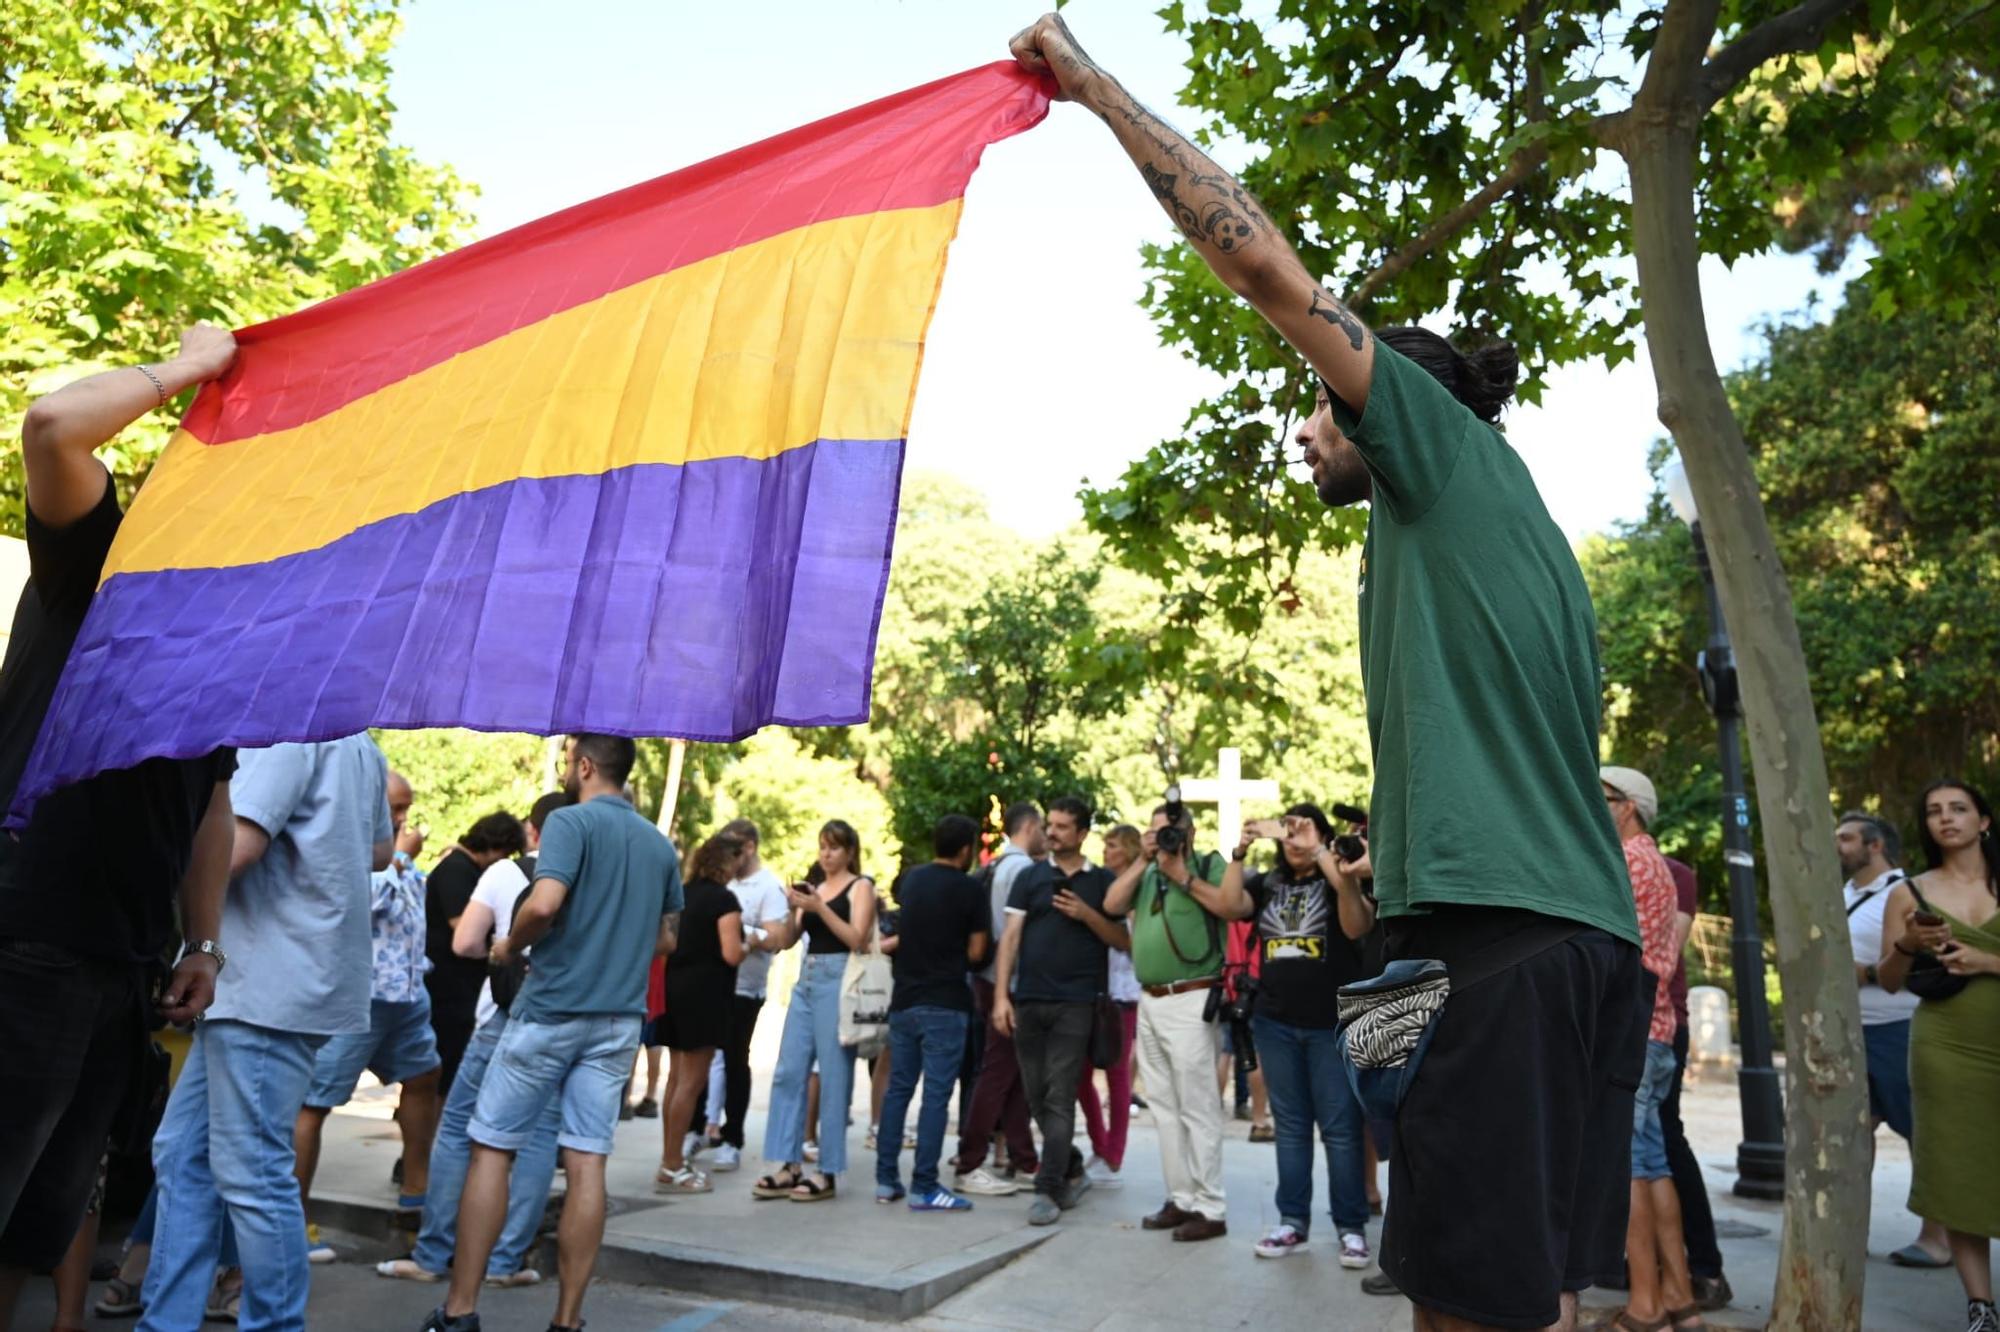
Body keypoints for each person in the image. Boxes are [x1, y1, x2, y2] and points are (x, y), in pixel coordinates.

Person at [1008, 16, 1648, 1323]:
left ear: (1387, 402)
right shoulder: (1499, 523)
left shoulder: (1435, 443)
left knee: (1456, 1297)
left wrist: (1095, 89)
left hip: (1503, 946)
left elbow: (1269, 276)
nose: (1306, 434)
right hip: (1568, 945)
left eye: (1321, 409)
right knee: (1527, 1290)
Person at [0, 326, 238, 1325]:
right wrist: (186, 370)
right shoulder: (104, 561)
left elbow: (210, 802)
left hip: (124, 962)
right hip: (29, 938)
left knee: (37, 1222)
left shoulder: (236, 632)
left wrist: (204, 940)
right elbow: (52, 426)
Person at [420, 734, 683, 1332]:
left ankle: (459, 1312)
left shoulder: (570, 823)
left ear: (586, 766)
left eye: (569, 760)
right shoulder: (656, 844)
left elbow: (543, 904)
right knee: (587, 1161)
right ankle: (567, 1321)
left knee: (491, 1146)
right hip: (618, 1019)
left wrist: (510, 944)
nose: (567, 769)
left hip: (552, 1009)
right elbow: (667, 939)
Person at [142, 735, 394, 1332]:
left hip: (266, 981)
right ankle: (166, 1323)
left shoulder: (289, 729)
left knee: (250, 1171)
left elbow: (234, 846)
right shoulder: (356, 738)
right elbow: (379, 850)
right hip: (274, 981)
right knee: (185, 1155)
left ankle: (269, 1324)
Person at [378, 792, 572, 1289]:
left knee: (460, 1125)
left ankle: (433, 1252)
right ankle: (507, 1261)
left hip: (502, 1014)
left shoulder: (506, 873)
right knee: (538, 1136)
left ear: (532, 830)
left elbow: (465, 941)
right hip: (562, 1016)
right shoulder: (591, 875)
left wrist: (502, 948)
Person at [295, 771, 442, 1244]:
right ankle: (292, 1223)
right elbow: (361, 903)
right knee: (315, 1101)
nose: (402, 818)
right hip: (358, 998)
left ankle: (415, 1195)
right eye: (395, 808)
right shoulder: (354, 848)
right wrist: (399, 857)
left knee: (423, 1077)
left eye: (406, 809)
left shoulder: (402, 860)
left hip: (406, 998)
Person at [1225, 804, 1375, 1267]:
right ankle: (1292, 1222)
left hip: (1331, 1021)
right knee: (1290, 1127)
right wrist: (1238, 851)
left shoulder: (1342, 878)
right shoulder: (1268, 883)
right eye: (1287, 829)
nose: (1293, 838)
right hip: (1274, 1020)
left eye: (1304, 830)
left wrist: (1326, 856)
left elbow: (1358, 926)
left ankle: (1351, 1227)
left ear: (1324, 837)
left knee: (1340, 1129)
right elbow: (1231, 906)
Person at [1877, 780, 2000, 1332]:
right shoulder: (1909, 891)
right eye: (1933, 811)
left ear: (1984, 821)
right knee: (1957, 1170)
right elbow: (1888, 982)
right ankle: (1981, 1308)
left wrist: (1986, 961)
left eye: (1958, 808)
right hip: (1944, 1045)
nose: (1945, 819)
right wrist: (1908, 944)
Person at [1101, 799, 1242, 1243]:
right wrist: (1145, 859)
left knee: (1197, 1106)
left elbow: (1230, 905)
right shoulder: (1146, 871)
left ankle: (1210, 1206)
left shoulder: (1207, 863)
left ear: (1190, 833)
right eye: (1156, 830)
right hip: (1150, 1000)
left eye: (1170, 830)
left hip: (1191, 995)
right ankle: (1180, 1197)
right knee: (1163, 1105)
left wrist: (1183, 874)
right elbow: (1111, 902)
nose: (1163, 837)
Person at [1602, 768, 1705, 1332]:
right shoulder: (1653, 862)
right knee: (1653, 1164)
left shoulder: (1628, 862)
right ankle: (1680, 1299)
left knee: (1630, 1169)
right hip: (1657, 1031)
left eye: (1600, 797)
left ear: (1628, 807)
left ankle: (1645, 1306)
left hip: (1635, 1034)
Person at [992, 795, 1125, 1226]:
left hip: (1078, 1003)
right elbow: (1010, 938)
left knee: (1060, 1093)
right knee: (1036, 1097)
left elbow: (1122, 941)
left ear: (1082, 833)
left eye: (1063, 826)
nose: (1052, 832)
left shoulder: (1102, 881)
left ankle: (1047, 1189)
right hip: (1029, 1000)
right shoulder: (1029, 878)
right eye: (1050, 825)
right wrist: (1000, 997)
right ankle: (1069, 1164)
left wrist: (1087, 914)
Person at [1836, 810, 1949, 1269]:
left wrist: (1858, 973)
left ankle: (1937, 1237)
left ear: (1875, 845)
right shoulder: (1845, 892)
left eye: (1846, 838)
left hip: (1898, 1027)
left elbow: (1924, 964)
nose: (1838, 846)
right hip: (1852, 1030)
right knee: (1854, 1132)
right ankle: (1848, 1231)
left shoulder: (1907, 891)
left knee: (1921, 1134)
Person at [755, 820, 876, 1203]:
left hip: (839, 979)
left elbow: (857, 939)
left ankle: (828, 1170)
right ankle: (788, 1164)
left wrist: (820, 908)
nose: (826, 854)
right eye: (823, 846)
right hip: (806, 980)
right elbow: (790, 940)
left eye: (835, 847)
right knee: (789, 1071)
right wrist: (794, 908)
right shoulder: (816, 889)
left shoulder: (861, 887)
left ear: (850, 852)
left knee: (834, 1075)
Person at [875, 814, 991, 1211]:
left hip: (905, 999)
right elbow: (977, 952)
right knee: (936, 1096)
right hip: (946, 1002)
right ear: (965, 849)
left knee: (898, 1090)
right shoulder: (970, 890)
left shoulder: (913, 881)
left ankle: (886, 1180)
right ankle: (925, 1185)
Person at [953, 802, 1045, 1196]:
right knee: (998, 1072)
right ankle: (971, 1160)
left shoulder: (993, 866)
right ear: (1031, 826)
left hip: (989, 978)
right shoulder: (1022, 869)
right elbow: (1015, 932)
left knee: (1009, 1073)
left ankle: (1024, 1160)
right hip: (1008, 982)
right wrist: (1008, 990)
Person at [652, 828, 748, 1194]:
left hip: (675, 988)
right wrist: (751, 942)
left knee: (676, 1081)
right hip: (706, 996)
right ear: (727, 862)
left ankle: (670, 1156)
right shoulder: (724, 901)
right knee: (690, 1084)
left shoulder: (683, 895)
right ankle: (673, 1164)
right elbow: (731, 953)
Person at [698, 818, 794, 1173]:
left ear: (749, 848)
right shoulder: (720, 881)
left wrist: (744, 934)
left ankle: (732, 1137)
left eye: (733, 848)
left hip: (745, 987)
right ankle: (699, 1126)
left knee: (736, 1058)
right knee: (702, 1058)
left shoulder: (767, 886)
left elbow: (779, 939)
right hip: (711, 983)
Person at [1658, 853, 1730, 1308]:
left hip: (1658, 1026)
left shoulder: (1672, 872)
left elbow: (1665, 952)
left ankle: (1705, 1269)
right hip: (1603, 1024)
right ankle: (1636, 1262)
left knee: (1663, 1141)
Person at [424, 813, 528, 1097]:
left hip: (456, 983)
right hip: (449, 984)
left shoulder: (465, 868)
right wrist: (495, 951)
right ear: (495, 846)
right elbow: (463, 930)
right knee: (447, 1065)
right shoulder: (457, 869)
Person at [1077, 823, 1144, 1188]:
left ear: (1131, 851)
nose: (1106, 851)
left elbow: (1130, 941)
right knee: (1079, 1074)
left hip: (1124, 990)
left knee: (1117, 1074)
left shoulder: (1136, 893)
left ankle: (1113, 1153)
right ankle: (1099, 1143)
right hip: (1093, 989)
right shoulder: (1099, 885)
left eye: (1114, 845)